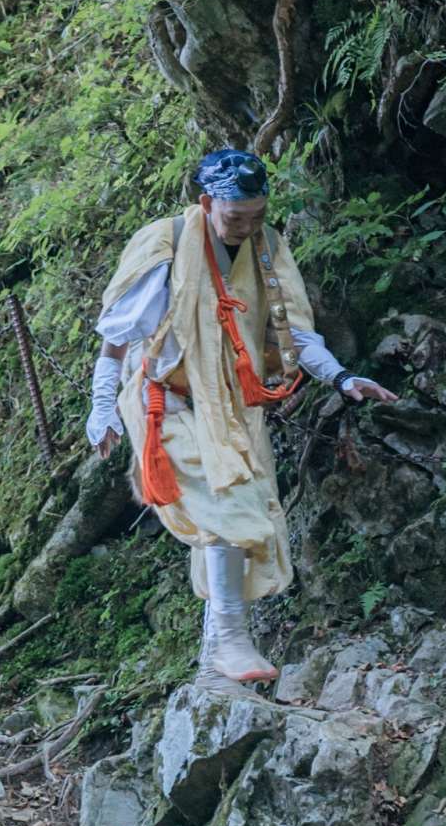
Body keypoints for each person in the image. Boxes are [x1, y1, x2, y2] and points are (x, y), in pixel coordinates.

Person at [86, 147, 398, 685]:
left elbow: (293, 331)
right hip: (168, 402)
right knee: (229, 509)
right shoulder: (164, 245)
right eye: (235, 218)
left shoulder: (266, 247)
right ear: (207, 203)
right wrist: (101, 408)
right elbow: (116, 343)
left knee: (234, 520)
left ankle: (218, 651)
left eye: (257, 216)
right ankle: (231, 642)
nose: (246, 228)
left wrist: (342, 378)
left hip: (233, 408)